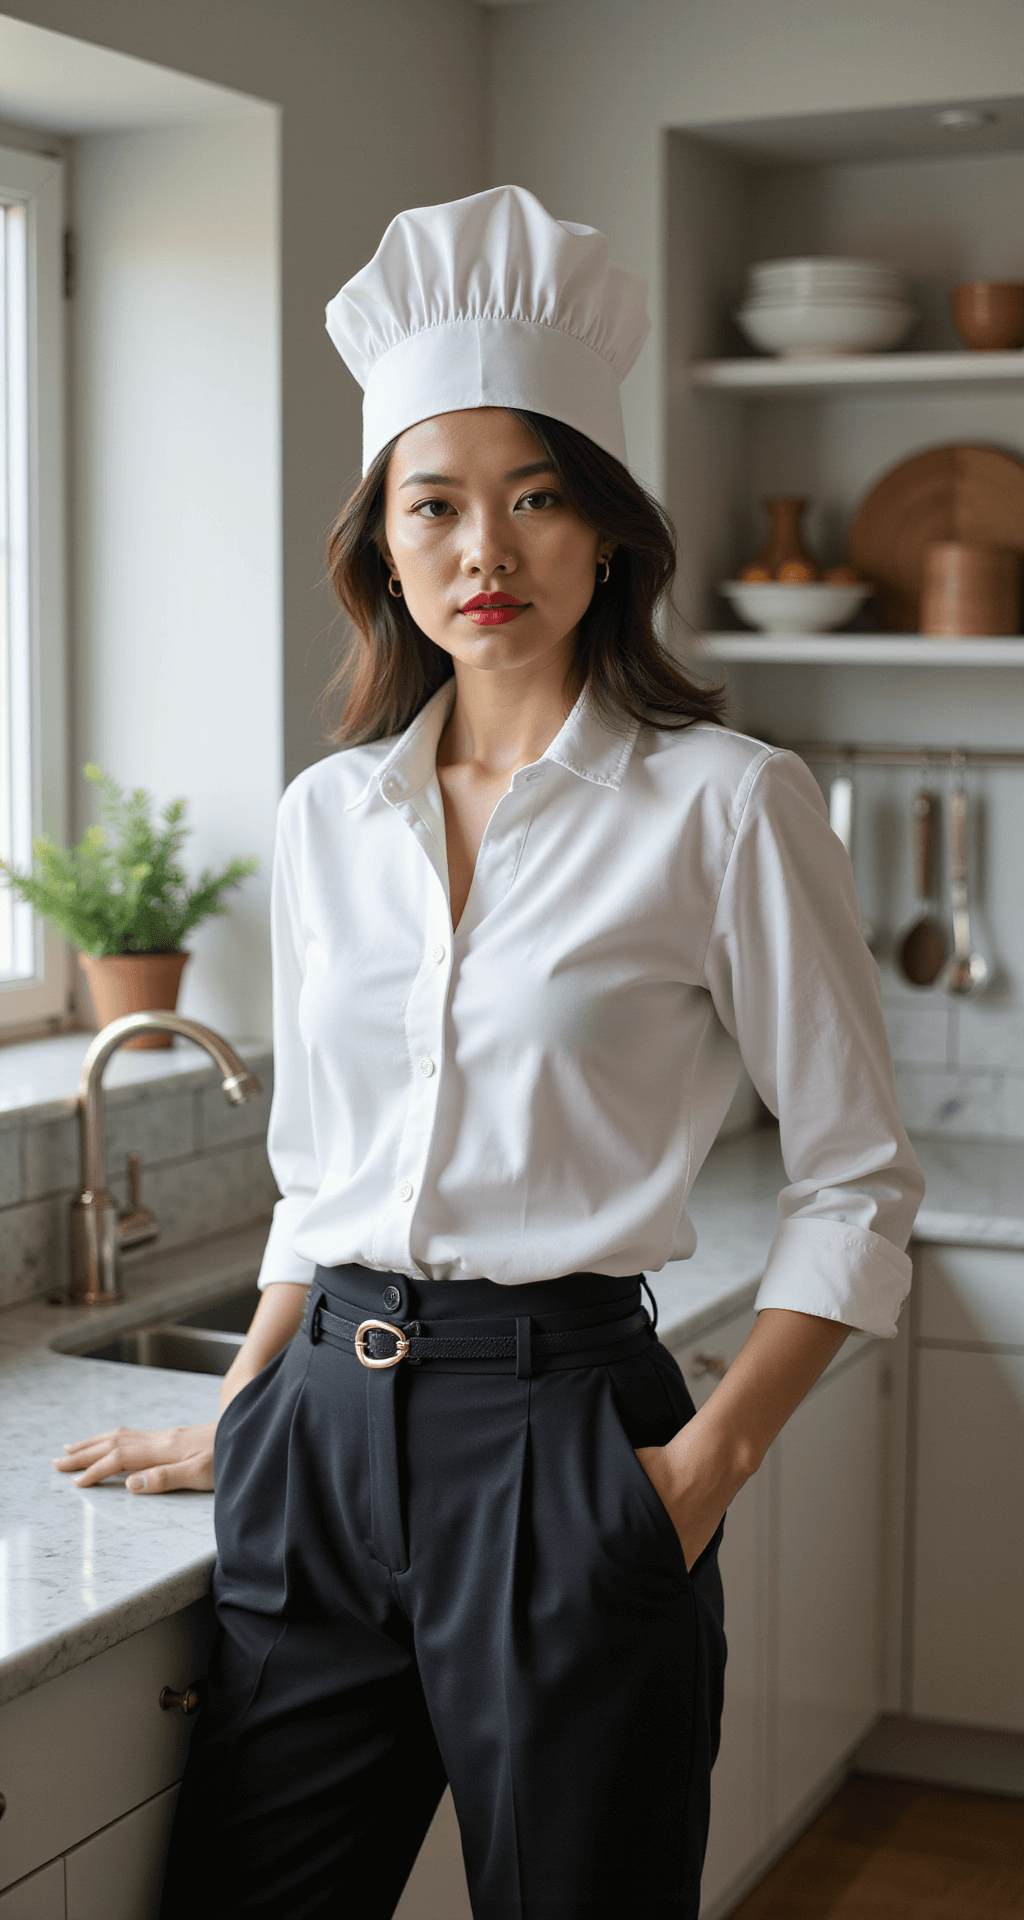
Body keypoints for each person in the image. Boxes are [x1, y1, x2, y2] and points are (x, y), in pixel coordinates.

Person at [56, 186, 924, 1920]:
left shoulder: (728, 805)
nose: (484, 554)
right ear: (381, 543)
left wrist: (698, 1480)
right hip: (317, 1446)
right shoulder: (327, 818)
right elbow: (325, 1177)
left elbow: (858, 1180)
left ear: (606, 532)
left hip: (566, 1440)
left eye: (535, 501)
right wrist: (247, 1410)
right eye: (432, 506)